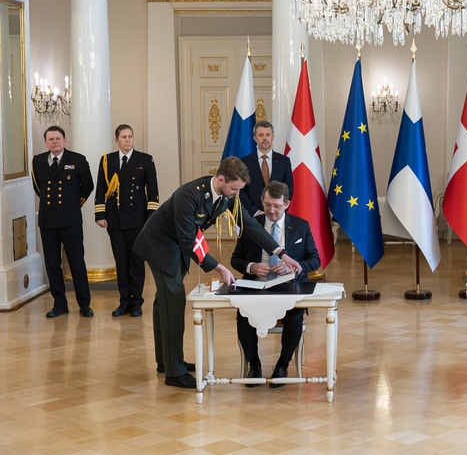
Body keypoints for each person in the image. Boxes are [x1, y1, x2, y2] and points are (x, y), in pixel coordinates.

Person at [133, 156, 302, 388]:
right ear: (221, 179)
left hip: (178, 245)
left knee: (164, 300)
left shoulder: (227, 195)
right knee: (173, 299)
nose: (237, 194)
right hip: (160, 245)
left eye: (240, 190)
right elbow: (188, 238)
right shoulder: (189, 194)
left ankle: (167, 362)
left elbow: (251, 225)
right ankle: (174, 373)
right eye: (234, 188)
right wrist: (219, 267)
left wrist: (282, 253)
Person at [231, 181, 320, 388]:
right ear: (262, 201)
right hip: (256, 287)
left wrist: (292, 268)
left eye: (277, 206)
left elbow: (315, 260)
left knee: (295, 317)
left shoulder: (300, 226)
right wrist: (251, 267)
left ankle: (282, 364)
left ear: (287, 204)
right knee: (243, 317)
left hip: (290, 288)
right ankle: (254, 365)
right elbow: (236, 259)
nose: (272, 210)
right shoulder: (250, 225)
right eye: (268, 204)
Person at [94, 124, 159, 317]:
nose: (128, 140)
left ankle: (137, 302)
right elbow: (100, 188)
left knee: (136, 262)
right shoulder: (107, 160)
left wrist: (150, 219)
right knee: (121, 263)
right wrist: (100, 214)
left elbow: (153, 191)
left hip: (137, 219)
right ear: (117, 140)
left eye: (130, 136)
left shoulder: (145, 160)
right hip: (114, 218)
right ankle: (124, 301)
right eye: (123, 137)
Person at [32, 125, 94, 318]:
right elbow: (38, 187)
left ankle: (84, 304)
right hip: (48, 221)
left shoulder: (77, 160)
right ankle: (60, 304)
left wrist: (73, 206)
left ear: (65, 140)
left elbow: (88, 186)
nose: (55, 142)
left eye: (58, 138)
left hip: (70, 220)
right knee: (52, 264)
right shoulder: (37, 161)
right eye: (50, 139)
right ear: (46, 142)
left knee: (76, 262)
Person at [239, 120, 293, 217]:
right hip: (253, 216)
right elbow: (241, 191)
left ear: (273, 137)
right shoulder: (244, 162)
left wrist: (279, 209)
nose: (265, 138)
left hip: (278, 214)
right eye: (260, 135)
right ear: (255, 138)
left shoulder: (284, 161)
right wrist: (255, 211)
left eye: (268, 135)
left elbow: (289, 189)